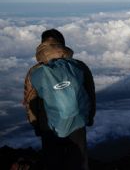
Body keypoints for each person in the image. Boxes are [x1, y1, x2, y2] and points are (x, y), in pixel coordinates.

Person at [22, 29, 96, 170]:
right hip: (78, 121)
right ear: (62, 44)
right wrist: (90, 117)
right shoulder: (78, 66)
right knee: (78, 162)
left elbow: (30, 100)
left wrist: (37, 125)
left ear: (43, 44)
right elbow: (90, 93)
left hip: (49, 125)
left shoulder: (36, 71)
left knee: (53, 162)